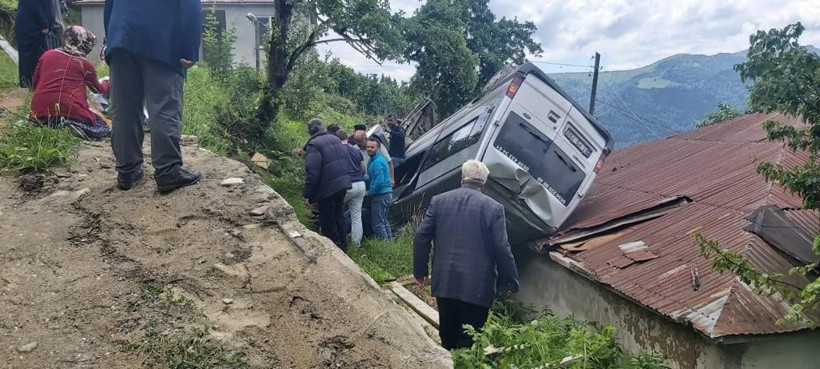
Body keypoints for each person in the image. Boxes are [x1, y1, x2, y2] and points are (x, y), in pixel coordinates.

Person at [413, 160, 519, 350]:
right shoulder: (494, 208)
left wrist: (420, 271)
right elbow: (502, 247)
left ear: (462, 178)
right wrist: (511, 280)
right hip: (477, 287)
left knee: (447, 335)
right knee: (469, 339)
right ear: (483, 183)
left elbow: (421, 236)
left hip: (445, 281)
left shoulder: (439, 200)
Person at [104, 0, 203, 192]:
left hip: (121, 36)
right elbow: (190, 5)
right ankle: (168, 172)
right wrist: (190, 47)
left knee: (124, 108)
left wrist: (112, 39)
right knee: (163, 105)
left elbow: (110, 5)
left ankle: (127, 170)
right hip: (162, 38)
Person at [30, 26, 111, 140]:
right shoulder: (85, 64)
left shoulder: (47, 55)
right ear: (86, 45)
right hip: (70, 111)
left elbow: (34, 84)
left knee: (47, 119)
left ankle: (47, 125)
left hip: (39, 111)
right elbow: (98, 90)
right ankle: (71, 127)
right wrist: (109, 84)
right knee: (102, 126)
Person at [303, 119, 352, 250]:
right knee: (338, 215)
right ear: (322, 127)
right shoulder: (335, 139)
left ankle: (332, 249)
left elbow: (312, 172)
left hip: (328, 187)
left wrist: (308, 194)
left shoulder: (314, 145)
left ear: (310, 131)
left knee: (327, 219)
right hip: (343, 183)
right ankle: (343, 245)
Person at [15, 0, 60, 88]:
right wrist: (43, 24)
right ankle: (31, 83)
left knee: (39, 55)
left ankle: (36, 83)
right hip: (33, 26)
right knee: (33, 56)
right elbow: (33, 5)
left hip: (38, 26)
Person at [336, 130, 366, 247]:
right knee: (356, 217)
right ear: (348, 139)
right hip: (360, 185)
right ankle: (356, 245)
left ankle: (337, 239)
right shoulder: (356, 151)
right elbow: (363, 169)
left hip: (347, 185)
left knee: (335, 211)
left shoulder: (338, 151)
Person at [365, 137, 393, 239]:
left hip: (381, 195)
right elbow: (372, 177)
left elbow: (379, 182)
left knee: (377, 225)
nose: (369, 149)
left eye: (372, 147)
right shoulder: (376, 160)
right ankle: (390, 246)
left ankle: (385, 248)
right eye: (368, 147)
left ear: (378, 148)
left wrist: (369, 192)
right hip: (387, 194)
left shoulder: (377, 162)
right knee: (384, 222)